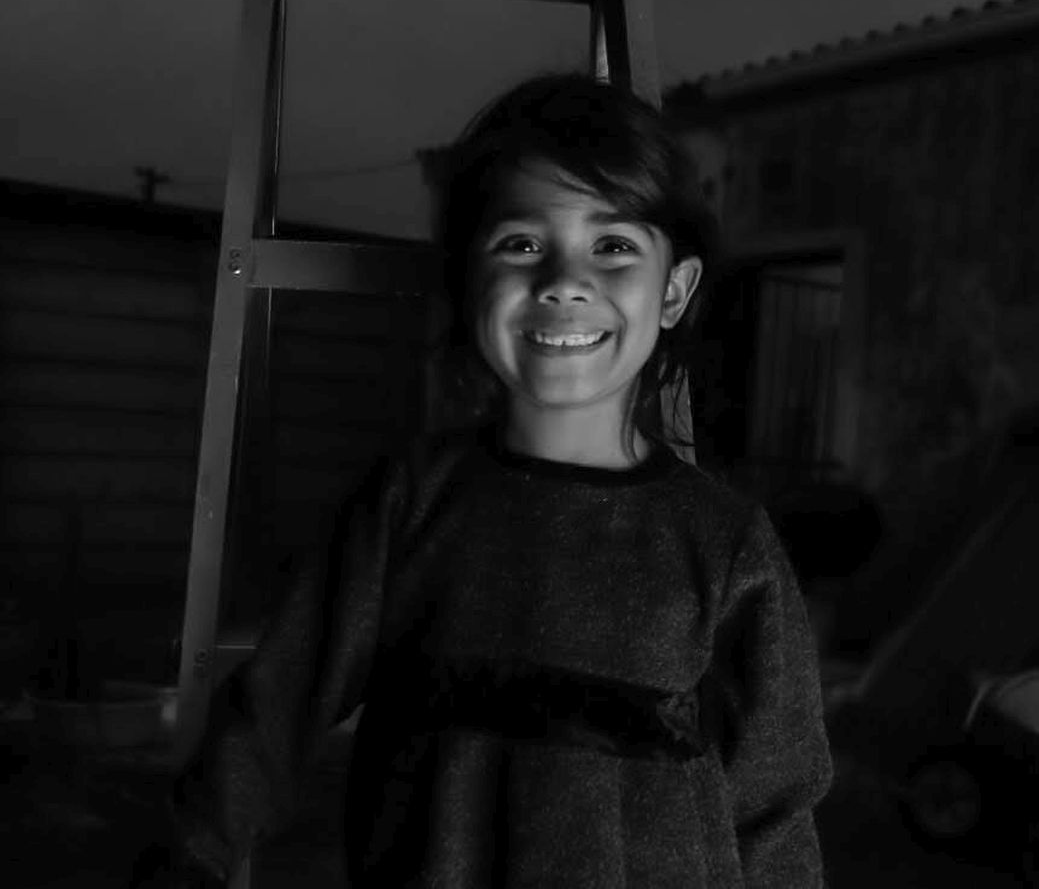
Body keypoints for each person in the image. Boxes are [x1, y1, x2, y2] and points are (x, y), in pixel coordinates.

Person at [135, 73, 832, 887]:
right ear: (469, 281)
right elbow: (276, 707)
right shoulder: (410, 504)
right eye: (521, 244)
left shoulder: (725, 545)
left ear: (673, 290)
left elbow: (777, 805)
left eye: (613, 246)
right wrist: (191, 859)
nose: (563, 281)